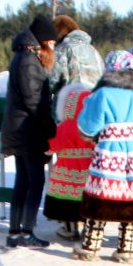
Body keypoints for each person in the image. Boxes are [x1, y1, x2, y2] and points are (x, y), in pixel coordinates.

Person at [73, 51, 133, 263]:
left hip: (109, 149)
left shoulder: (102, 95)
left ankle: (90, 246)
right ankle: (126, 249)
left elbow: (88, 125)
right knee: (132, 196)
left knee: (100, 195)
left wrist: (93, 135)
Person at [1, 14, 58, 248]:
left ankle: (16, 232)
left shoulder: (22, 57)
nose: (53, 47)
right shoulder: (29, 61)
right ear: (43, 41)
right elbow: (34, 100)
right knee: (34, 182)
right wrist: (49, 130)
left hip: (21, 129)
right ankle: (26, 232)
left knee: (23, 180)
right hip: (28, 131)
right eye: (52, 43)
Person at [43, 81, 93, 241]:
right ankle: (88, 228)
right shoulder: (92, 126)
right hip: (88, 170)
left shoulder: (64, 126)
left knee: (67, 202)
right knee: (87, 201)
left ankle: (70, 229)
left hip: (66, 170)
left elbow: (52, 147)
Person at [47, 15, 103, 101]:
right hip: (93, 104)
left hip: (69, 107)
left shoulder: (62, 50)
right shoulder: (94, 52)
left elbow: (51, 82)